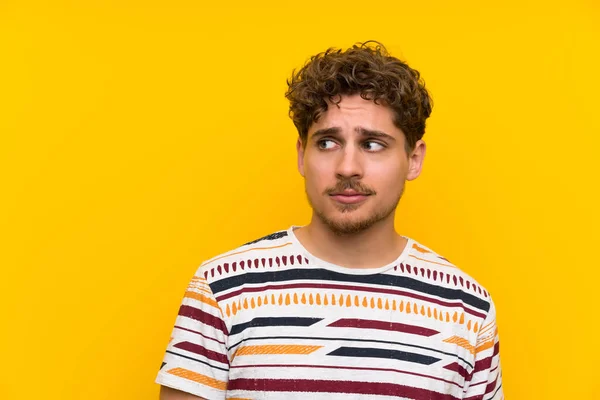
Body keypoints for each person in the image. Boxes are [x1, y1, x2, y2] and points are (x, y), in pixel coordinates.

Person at [156, 41, 503, 400]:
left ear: (413, 159)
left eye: (372, 144)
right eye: (327, 143)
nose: (347, 167)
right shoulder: (223, 289)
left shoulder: (467, 310)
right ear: (302, 155)